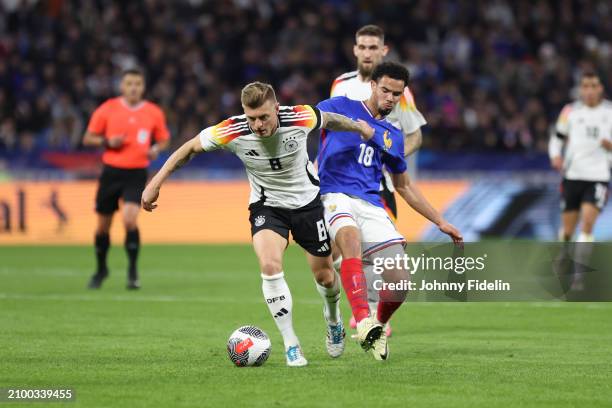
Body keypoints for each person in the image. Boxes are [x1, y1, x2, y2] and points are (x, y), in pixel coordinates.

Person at [141, 81, 378, 366]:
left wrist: (359, 126)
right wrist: (155, 182)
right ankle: (292, 345)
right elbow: (189, 148)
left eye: (264, 117)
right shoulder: (232, 130)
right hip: (267, 206)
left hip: (307, 205)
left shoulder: (300, 117)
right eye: (252, 117)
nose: (258, 125)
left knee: (325, 277)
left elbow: (331, 120)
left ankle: (333, 320)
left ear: (276, 109)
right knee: (269, 266)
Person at [318, 62, 463, 360]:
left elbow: (405, 186)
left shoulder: (393, 136)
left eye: (396, 94)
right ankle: (363, 318)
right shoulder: (339, 105)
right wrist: (358, 127)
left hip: (371, 203)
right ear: (372, 85)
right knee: (349, 238)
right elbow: (317, 120)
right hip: (335, 194)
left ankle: (378, 327)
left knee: (400, 281)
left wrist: (441, 221)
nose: (389, 98)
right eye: (385, 90)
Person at [330, 24, 427, 335]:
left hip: (378, 181)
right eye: (363, 47)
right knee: (342, 253)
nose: (368, 52)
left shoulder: (401, 91)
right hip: (342, 180)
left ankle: (373, 318)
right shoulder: (340, 85)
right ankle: (366, 312)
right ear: (355, 49)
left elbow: (414, 135)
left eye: (374, 47)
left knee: (383, 254)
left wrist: (390, 157)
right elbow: (329, 126)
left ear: (383, 50)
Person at [83, 68, 170, 290]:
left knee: (130, 220)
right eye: (129, 83)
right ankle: (101, 269)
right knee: (102, 227)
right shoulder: (108, 108)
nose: (133, 88)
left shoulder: (153, 112)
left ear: (143, 87)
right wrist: (107, 142)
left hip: (136, 173)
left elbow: (164, 139)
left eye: (137, 84)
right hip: (111, 172)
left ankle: (132, 271)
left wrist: (155, 149)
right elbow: (88, 138)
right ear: (122, 86)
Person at [549, 71, 612, 289]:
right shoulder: (570, 111)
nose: (589, 90)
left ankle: (578, 275)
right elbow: (557, 138)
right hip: (573, 175)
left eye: (593, 86)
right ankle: (563, 256)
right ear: (581, 89)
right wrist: (555, 155)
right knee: (567, 230)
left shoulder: (610, 113)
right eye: (585, 86)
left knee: (587, 223)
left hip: (598, 177)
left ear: (600, 88)